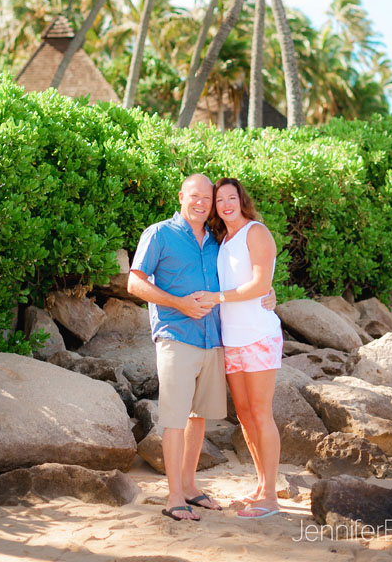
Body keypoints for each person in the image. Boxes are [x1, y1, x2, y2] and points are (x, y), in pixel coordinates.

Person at [127, 173, 276, 523]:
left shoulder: (217, 239)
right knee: (175, 419)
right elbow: (134, 282)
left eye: (207, 199)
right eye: (196, 196)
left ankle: (191, 487)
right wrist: (179, 303)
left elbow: (250, 278)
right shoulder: (159, 233)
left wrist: (268, 292)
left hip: (214, 341)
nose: (202, 203)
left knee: (196, 419)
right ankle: (175, 496)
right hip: (177, 337)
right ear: (181, 196)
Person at [197, 177, 282, 519]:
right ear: (216, 208)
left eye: (232, 197)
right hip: (231, 339)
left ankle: (272, 497)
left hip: (259, 336)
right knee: (245, 417)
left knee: (261, 414)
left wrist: (218, 298)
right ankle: (262, 485)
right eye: (220, 201)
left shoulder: (255, 232)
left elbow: (261, 283)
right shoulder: (224, 240)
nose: (226, 204)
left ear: (241, 200)